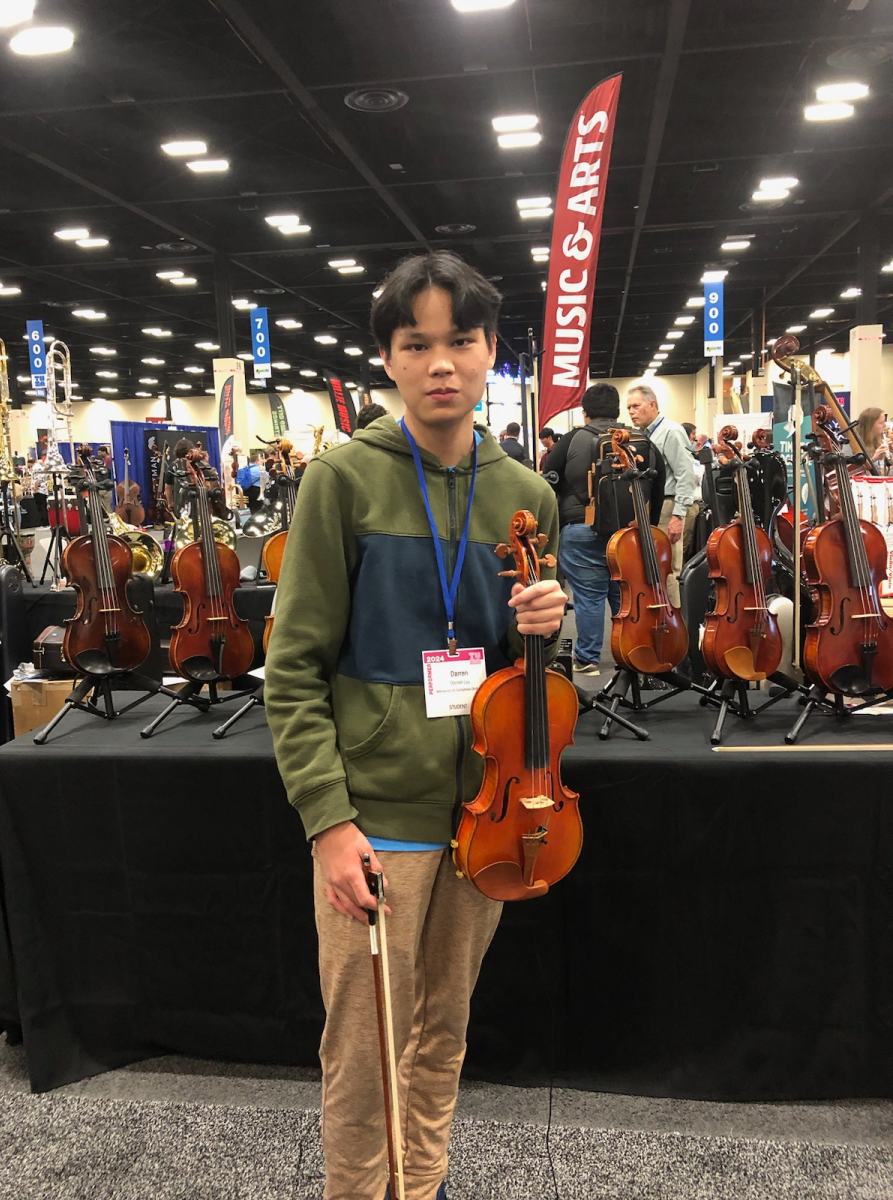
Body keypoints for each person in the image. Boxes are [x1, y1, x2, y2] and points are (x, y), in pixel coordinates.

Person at [265, 249, 566, 1200]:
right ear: (387, 362)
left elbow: (536, 688)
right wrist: (328, 821)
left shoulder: (528, 496)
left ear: (488, 357)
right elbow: (294, 670)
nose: (442, 363)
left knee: (443, 1035)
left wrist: (551, 631)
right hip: (376, 820)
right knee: (363, 1053)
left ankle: (421, 1188)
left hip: (487, 814)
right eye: (416, 344)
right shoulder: (343, 481)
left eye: (461, 342)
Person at [545, 382, 663, 675]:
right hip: (630, 533)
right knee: (625, 593)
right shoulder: (640, 439)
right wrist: (650, 526)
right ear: (617, 410)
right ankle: (634, 653)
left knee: (588, 595)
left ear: (585, 412)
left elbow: (548, 484)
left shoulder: (572, 440)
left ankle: (588, 659)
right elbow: (658, 485)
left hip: (582, 528)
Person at [626, 384, 695, 607]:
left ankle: (673, 627)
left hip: (668, 506)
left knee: (669, 570)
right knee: (650, 568)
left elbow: (686, 475)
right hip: (652, 506)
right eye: (629, 408)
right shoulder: (644, 435)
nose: (631, 412)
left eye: (636, 406)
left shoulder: (672, 431)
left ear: (652, 405)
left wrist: (678, 516)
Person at [681, 424, 703, 560]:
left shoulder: (690, 454)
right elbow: (696, 475)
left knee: (688, 543)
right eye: (693, 434)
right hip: (687, 505)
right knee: (683, 543)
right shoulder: (684, 454)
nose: (695, 437)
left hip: (693, 504)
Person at [856, 407, 890, 474]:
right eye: (881, 423)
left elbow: (889, 469)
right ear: (870, 425)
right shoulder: (852, 444)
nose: (885, 425)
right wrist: (874, 458)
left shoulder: (880, 441)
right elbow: (849, 471)